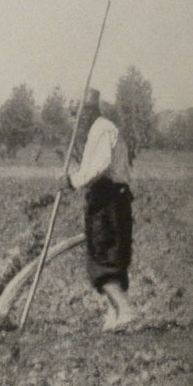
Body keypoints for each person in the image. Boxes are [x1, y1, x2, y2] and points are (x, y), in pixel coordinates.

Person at [61, 89, 137, 332]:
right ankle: (115, 314)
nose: (74, 119)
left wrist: (74, 181)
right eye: (72, 114)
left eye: (76, 113)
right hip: (109, 197)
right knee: (108, 255)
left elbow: (100, 165)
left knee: (103, 259)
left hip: (108, 199)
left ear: (89, 111)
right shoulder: (97, 131)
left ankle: (125, 310)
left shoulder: (101, 129)